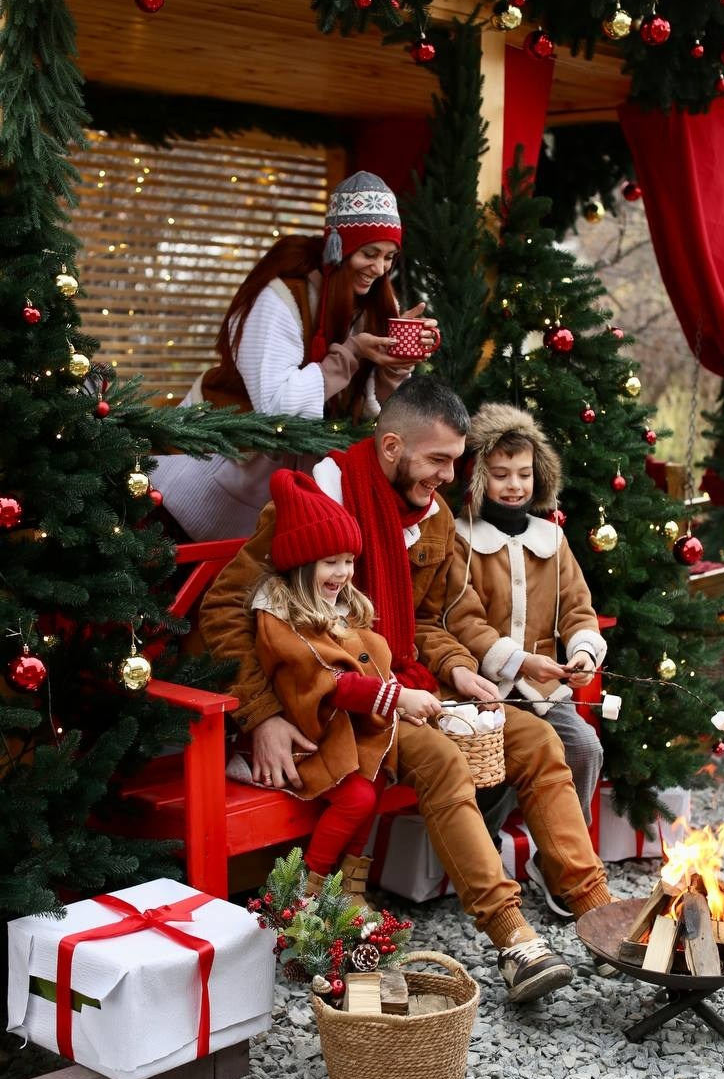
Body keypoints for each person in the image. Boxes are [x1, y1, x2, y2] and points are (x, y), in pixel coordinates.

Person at [200, 376, 613, 1004]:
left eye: (455, 460)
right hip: (338, 710)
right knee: (444, 760)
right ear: (392, 446)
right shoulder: (316, 505)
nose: (451, 475)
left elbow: (433, 619)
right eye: (439, 460)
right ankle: (513, 937)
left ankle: (597, 910)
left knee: (532, 738)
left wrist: (456, 672)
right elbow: (229, 607)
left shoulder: (435, 518)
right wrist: (260, 716)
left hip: (407, 685)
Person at [152, 170, 436, 540]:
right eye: (369, 253)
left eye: (389, 257)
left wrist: (393, 371)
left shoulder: (376, 301)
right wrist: (349, 355)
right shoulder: (281, 296)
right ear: (339, 246)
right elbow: (276, 406)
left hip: (299, 480)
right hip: (223, 466)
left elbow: (374, 414)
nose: (380, 269)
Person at [247, 468, 441, 906]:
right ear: (301, 563)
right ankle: (308, 890)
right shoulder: (281, 618)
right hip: (307, 731)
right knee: (354, 796)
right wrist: (396, 697)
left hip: (343, 732)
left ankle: (349, 888)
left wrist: (398, 698)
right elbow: (328, 680)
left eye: (349, 561)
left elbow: (368, 665)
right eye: (330, 562)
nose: (342, 573)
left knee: (372, 786)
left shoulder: (339, 607)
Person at [441, 404, 606, 915]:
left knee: (582, 747)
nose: (514, 486)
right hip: (482, 690)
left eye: (524, 474)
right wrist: (513, 661)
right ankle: (482, 858)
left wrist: (580, 650)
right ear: (478, 477)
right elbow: (461, 618)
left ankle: (554, 861)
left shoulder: (550, 540)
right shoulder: (462, 539)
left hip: (540, 689)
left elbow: (578, 607)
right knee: (487, 768)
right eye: (500, 475)